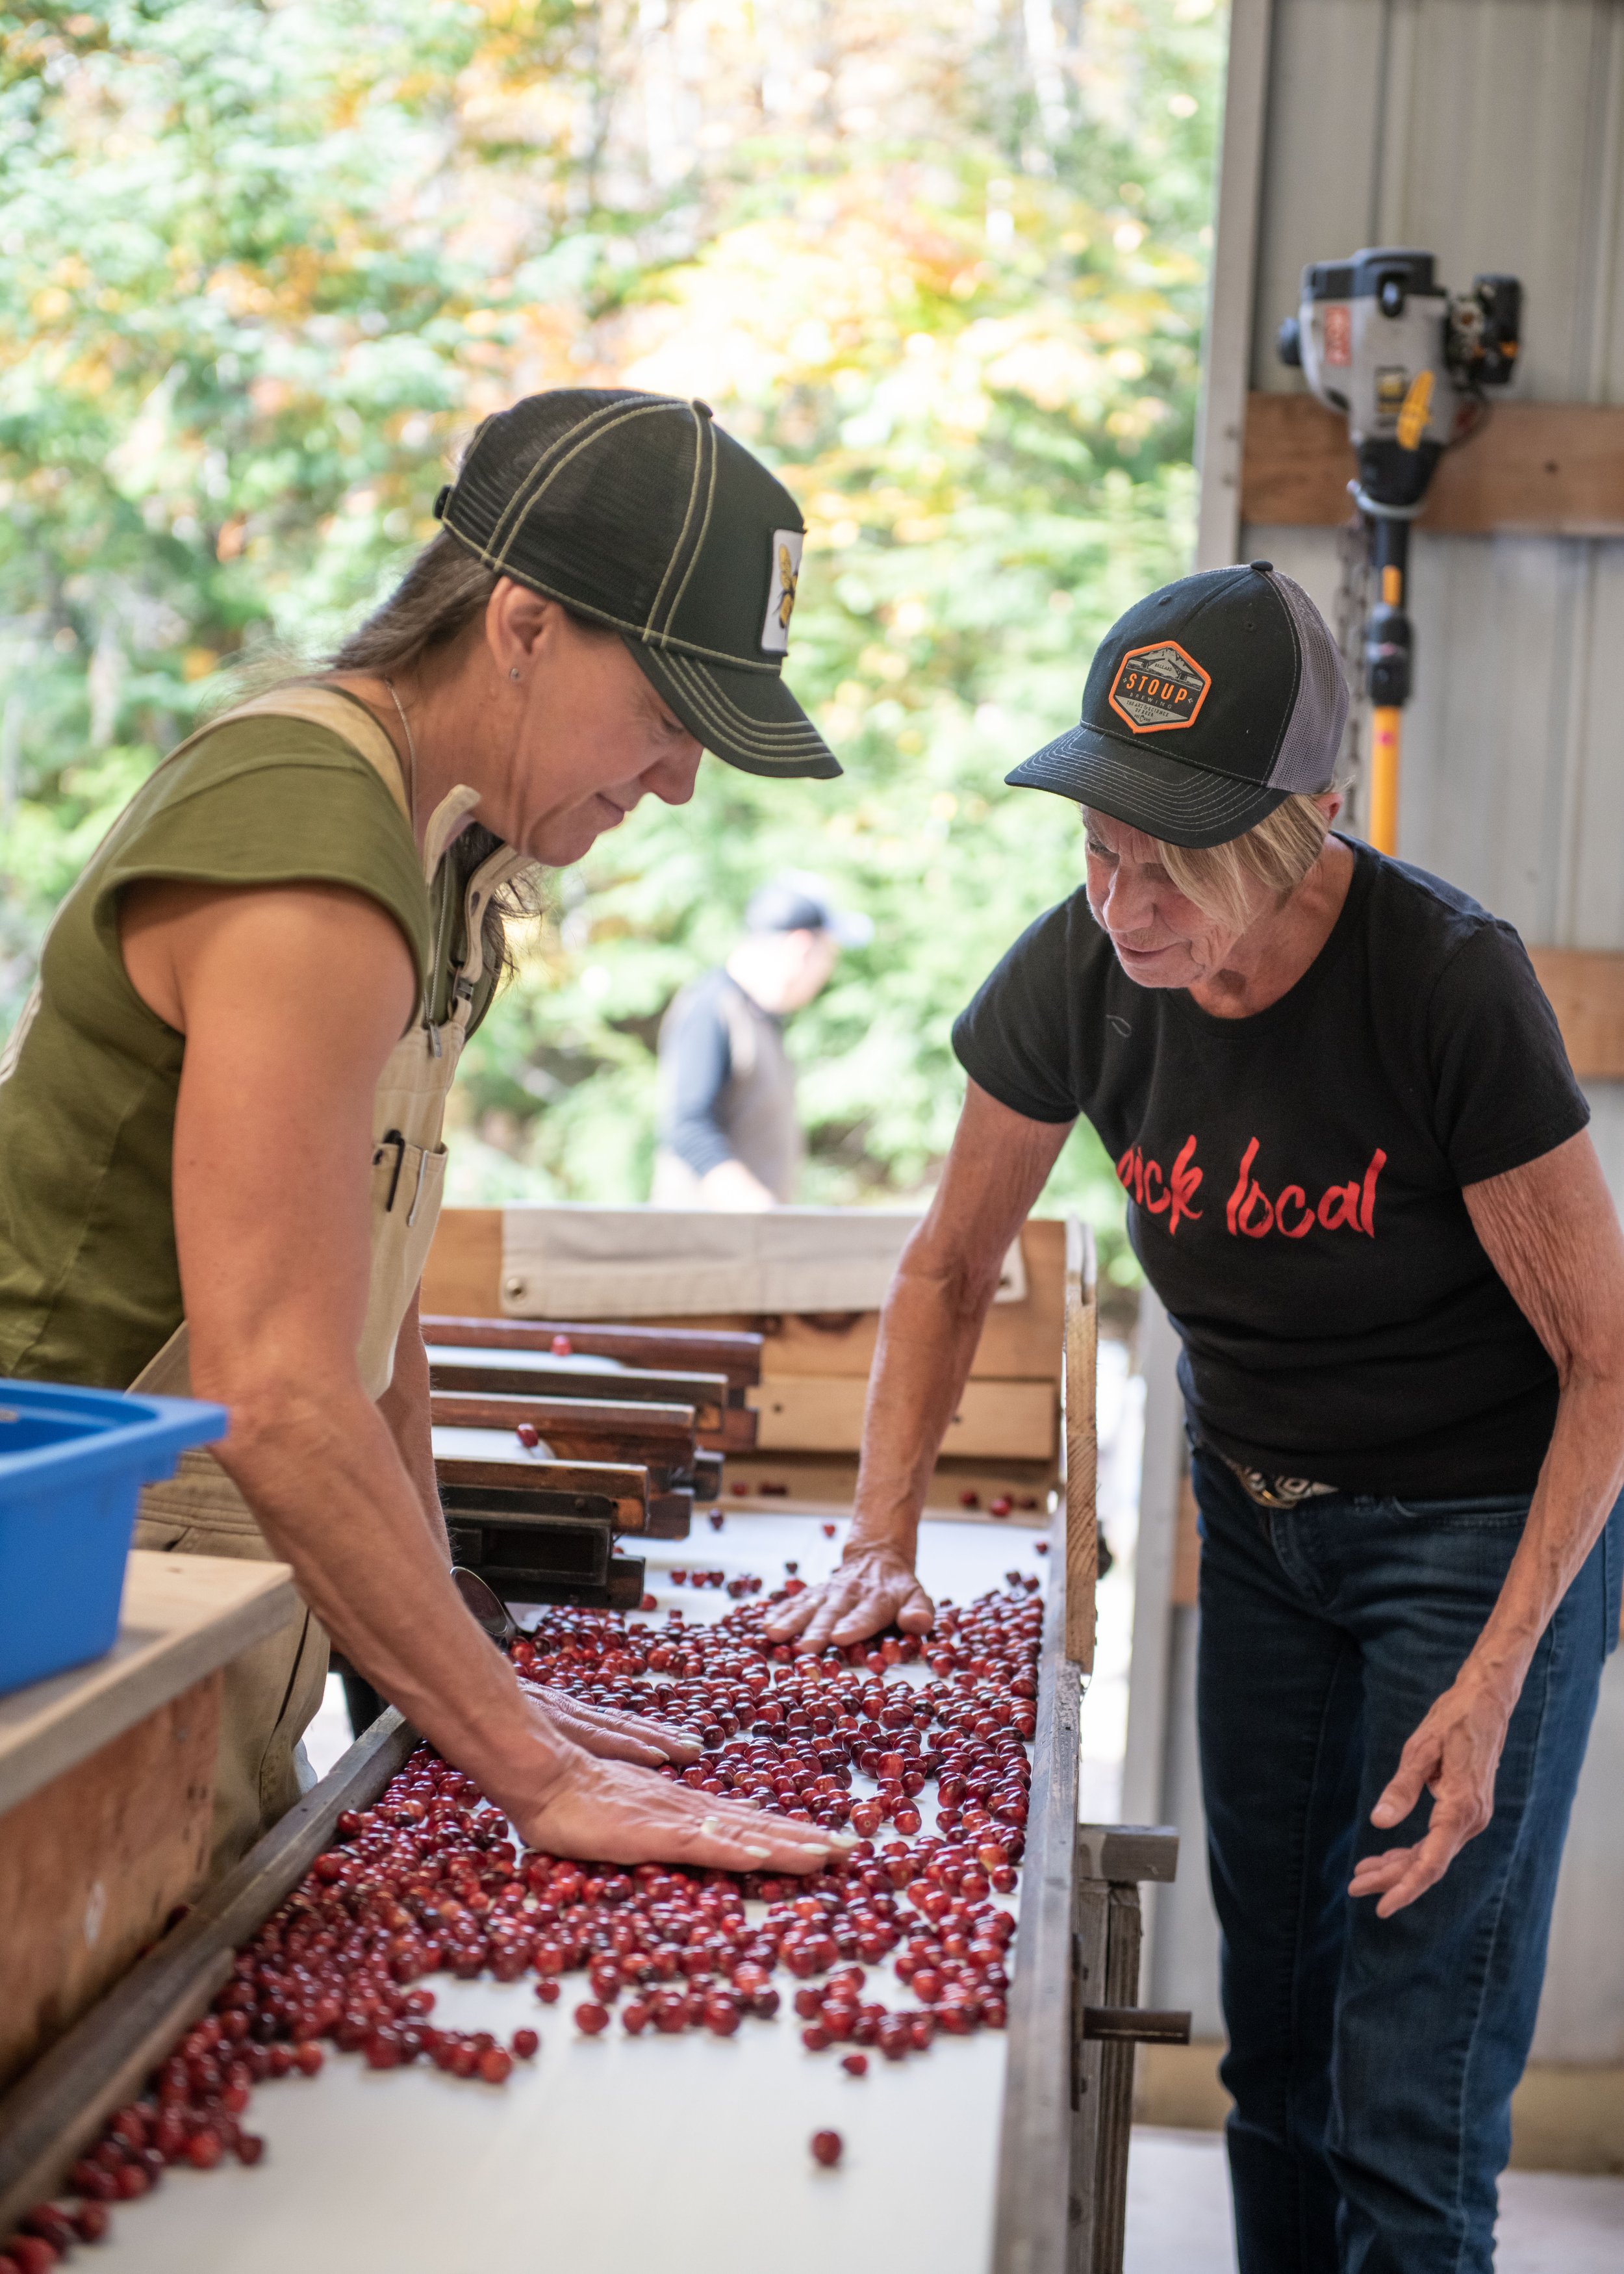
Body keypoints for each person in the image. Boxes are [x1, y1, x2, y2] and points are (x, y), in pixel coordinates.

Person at [767, 562, 1624, 2273]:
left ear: (1309, 820)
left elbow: (1605, 1366)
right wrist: (878, 1530)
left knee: (1404, 2077)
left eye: (1173, 855)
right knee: (1276, 2035)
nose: (1120, 899)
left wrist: (1497, 1672)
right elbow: (945, 1268)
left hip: (1473, 1533)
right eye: (1096, 842)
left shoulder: (1443, 984)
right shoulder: (1077, 973)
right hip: (1257, 1509)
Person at [0, 386, 852, 1887]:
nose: (677, 781)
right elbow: (271, 1385)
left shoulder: (438, 855)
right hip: (58, 1633)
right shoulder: (311, 848)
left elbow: (367, 1326)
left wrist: (468, 1673)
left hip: (182, 1618)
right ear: (521, 624)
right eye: (665, 714)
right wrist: (536, 1775)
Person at [652, 873, 871, 1209]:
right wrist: (760, 1209)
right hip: (703, 1245)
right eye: (829, 954)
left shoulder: (759, 1016)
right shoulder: (711, 1007)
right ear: (800, 948)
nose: (828, 970)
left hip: (745, 1246)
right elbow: (688, 1129)